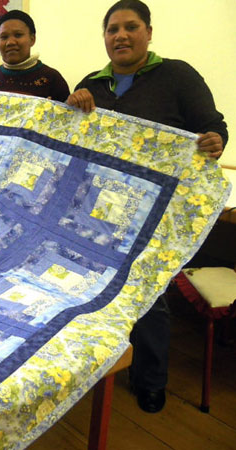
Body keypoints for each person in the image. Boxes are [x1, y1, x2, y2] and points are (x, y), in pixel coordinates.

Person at [66, 0, 228, 413]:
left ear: (149, 33)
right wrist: (72, 106)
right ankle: (99, 364)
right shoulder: (93, 85)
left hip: (155, 215)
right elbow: (73, 141)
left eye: (131, 27)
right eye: (112, 29)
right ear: (104, 37)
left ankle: (150, 380)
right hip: (98, 211)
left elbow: (213, 126)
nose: (121, 35)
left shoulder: (177, 76)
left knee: (148, 296)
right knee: (93, 288)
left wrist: (215, 140)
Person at [0, 10, 69, 102]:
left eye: (18, 35)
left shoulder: (53, 80)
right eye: (4, 37)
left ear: (32, 39)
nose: (10, 42)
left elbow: (68, 113)